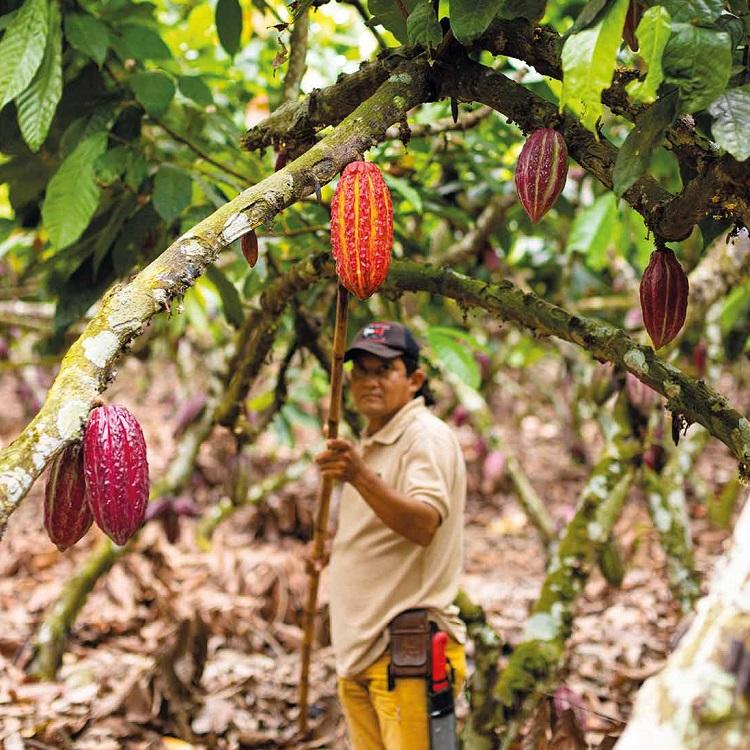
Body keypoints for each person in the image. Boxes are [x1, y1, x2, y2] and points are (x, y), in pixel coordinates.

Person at [315, 321, 467, 749]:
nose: (368, 382)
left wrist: (358, 476)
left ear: (415, 379)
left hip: (404, 653)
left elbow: (423, 524)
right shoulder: (377, 438)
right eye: (360, 371)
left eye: (383, 370)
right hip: (364, 651)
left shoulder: (424, 437)